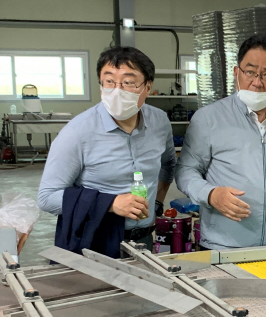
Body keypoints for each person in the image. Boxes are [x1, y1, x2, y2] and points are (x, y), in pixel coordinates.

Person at [176, 35, 266, 250]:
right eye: (250, 72)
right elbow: (185, 172)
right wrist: (211, 195)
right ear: (236, 73)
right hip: (222, 249)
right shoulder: (208, 119)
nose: (257, 82)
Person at [38, 46, 175, 256]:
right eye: (110, 81)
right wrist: (110, 203)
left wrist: (156, 202)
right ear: (101, 85)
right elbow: (47, 197)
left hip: (144, 240)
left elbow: (168, 163)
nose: (117, 90)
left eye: (128, 82)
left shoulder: (159, 122)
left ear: (147, 87)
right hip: (95, 240)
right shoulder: (77, 132)